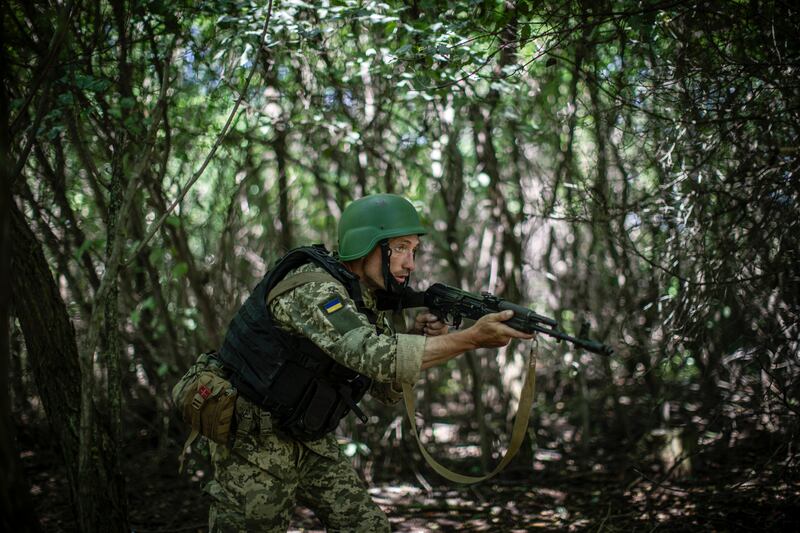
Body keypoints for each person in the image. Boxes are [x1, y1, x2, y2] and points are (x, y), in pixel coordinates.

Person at [205, 193, 533, 532]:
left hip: (307, 435)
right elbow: (374, 356)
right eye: (401, 248)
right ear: (365, 245)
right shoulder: (314, 287)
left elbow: (385, 389)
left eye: (414, 250)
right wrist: (472, 338)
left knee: (367, 527)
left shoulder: (362, 299)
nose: (411, 263)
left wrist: (424, 340)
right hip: (252, 437)